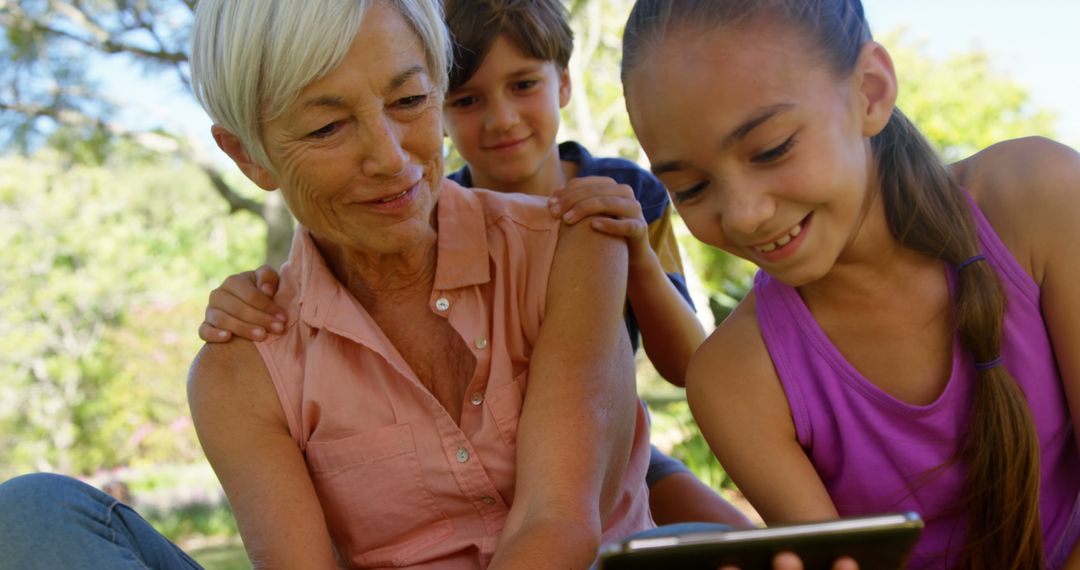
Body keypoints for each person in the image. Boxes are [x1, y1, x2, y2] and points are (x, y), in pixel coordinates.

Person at [0, 1, 656, 568]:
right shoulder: (241, 372)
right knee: (29, 513)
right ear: (248, 155)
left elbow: (559, 520)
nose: (391, 158)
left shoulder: (575, 243)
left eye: (408, 101)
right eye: (326, 128)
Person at [197, 0, 751, 528]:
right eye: (467, 100)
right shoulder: (405, 212)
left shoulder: (618, 197)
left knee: (742, 537)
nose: (502, 120)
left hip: (612, 436)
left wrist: (632, 255)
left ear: (563, 82)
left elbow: (687, 367)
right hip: (547, 468)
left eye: (409, 100)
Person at [619, 1, 1080, 569]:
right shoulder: (734, 379)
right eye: (689, 188)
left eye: (771, 149)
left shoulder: (1040, 198)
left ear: (870, 91)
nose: (742, 216)